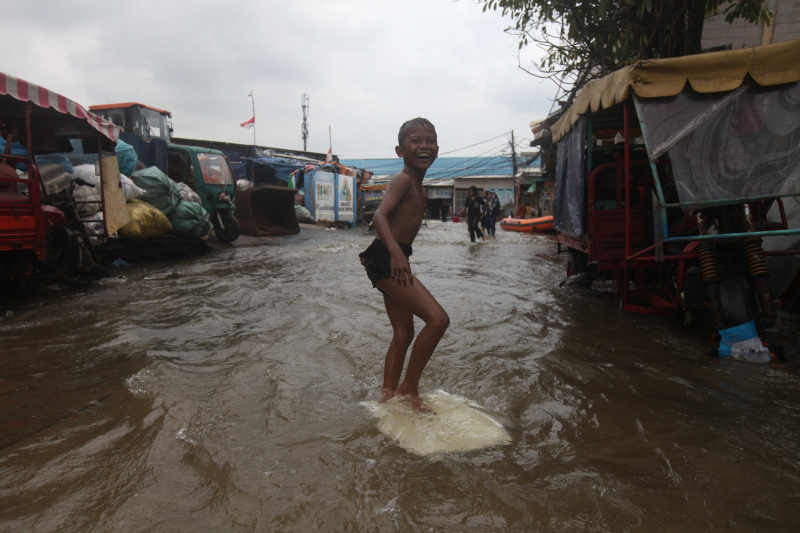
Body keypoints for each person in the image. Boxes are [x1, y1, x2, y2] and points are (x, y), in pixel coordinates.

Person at [358, 118, 450, 413]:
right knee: (438, 320)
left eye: (430, 141)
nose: (424, 146)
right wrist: (396, 255)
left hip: (387, 256)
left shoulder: (420, 190)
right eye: (416, 141)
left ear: (437, 149)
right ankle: (408, 389)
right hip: (389, 259)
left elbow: (398, 226)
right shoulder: (403, 180)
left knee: (404, 332)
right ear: (400, 150)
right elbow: (379, 217)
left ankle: (388, 394)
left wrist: (392, 254)